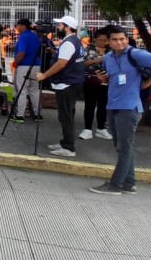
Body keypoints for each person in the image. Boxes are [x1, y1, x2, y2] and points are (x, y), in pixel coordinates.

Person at [89, 26, 151, 195]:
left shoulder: (135, 54)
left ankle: (115, 186)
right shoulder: (109, 58)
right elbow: (115, 77)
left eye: (122, 39)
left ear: (127, 39)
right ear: (108, 42)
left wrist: (149, 82)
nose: (120, 42)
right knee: (121, 147)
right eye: (115, 39)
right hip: (113, 105)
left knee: (124, 148)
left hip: (129, 107)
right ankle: (129, 184)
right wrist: (104, 78)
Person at [37, 15, 86, 157]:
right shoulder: (75, 41)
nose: (58, 27)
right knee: (66, 115)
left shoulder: (69, 43)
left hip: (66, 84)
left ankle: (69, 147)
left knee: (66, 117)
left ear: (67, 27)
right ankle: (65, 142)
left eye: (60, 25)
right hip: (72, 83)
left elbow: (61, 63)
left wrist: (44, 75)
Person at [81, 28, 111, 140]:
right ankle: (87, 129)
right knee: (90, 105)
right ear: (95, 39)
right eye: (100, 40)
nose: (102, 42)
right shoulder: (89, 48)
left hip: (106, 81)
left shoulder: (110, 50)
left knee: (103, 105)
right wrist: (96, 60)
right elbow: (84, 62)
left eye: (104, 40)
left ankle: (101, 128)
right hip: (91, 80)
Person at [11, 19, 42, 123]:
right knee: (34, 89)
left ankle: (20, 115)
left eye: (17, 26)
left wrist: (15, 63)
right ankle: (38, 114)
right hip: (36, 65)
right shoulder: (34, 36)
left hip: (24, 66)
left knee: (21, 90)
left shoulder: (23, 36)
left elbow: (22, 53)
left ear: (23, 26)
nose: (16, 28)